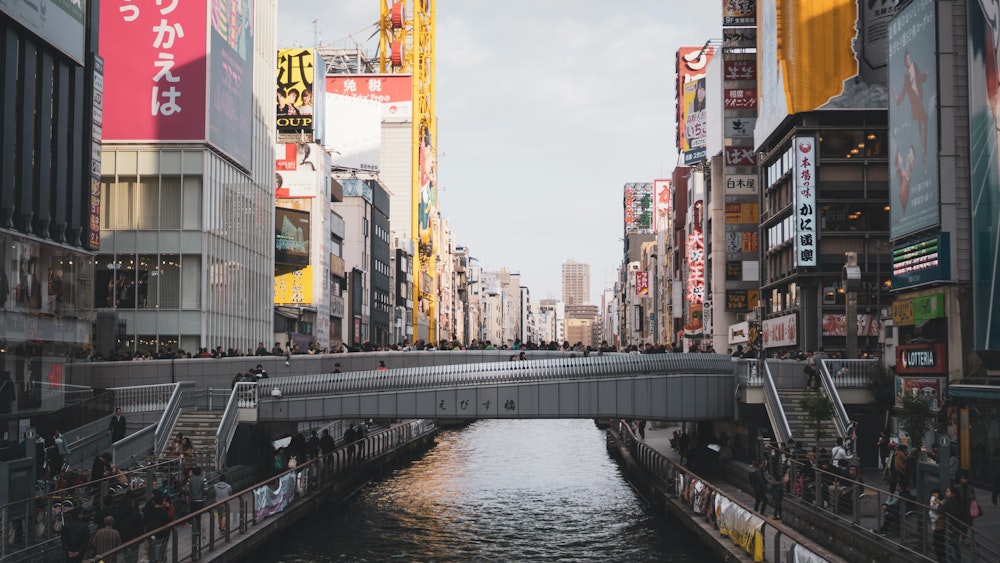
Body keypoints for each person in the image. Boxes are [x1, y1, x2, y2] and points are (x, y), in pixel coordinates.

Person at [891, 49, 930, 170]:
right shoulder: (906, 80)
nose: (908, 61)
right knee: (920, 128)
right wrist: (894, 94)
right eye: (906, 59)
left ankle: (923, 153)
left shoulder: (914, 67)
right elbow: (899, 101)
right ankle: (921, 156)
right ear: (904, 62)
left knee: (923, 125)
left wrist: (926, 75)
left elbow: (920, 79)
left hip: (919, 104)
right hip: (916, 108)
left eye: (908, 58)